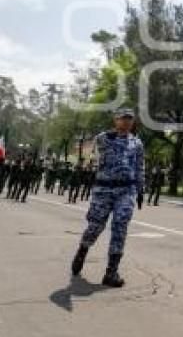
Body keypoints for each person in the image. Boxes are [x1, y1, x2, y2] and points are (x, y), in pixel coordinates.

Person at [71, 109, 145, 287]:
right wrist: (108, 134)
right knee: (96, 226)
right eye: (123, 118)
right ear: (116, 120)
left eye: (130, 119)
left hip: (126, 190)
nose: (127, 122)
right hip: (104, 189)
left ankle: (111, 272)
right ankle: (83, 250)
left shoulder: (137, 143)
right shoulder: (104, 138)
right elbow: (91, 149)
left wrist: (141, 189)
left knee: (120, 226)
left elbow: (140, 166)